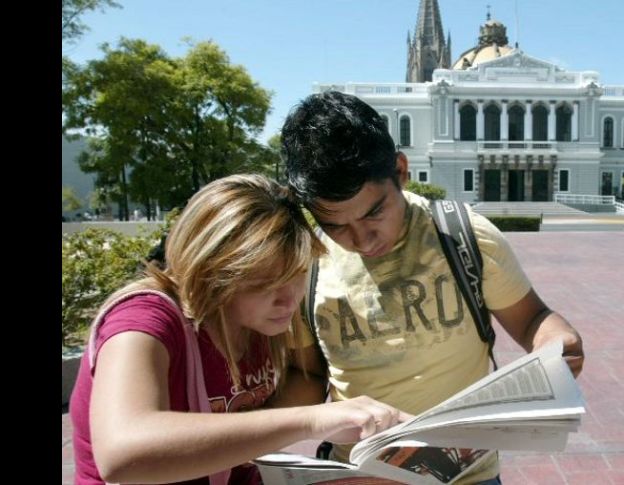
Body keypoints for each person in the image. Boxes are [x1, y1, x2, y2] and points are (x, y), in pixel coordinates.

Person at [281, 91, 585, 484]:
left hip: (467, 474)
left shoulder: (462, 236)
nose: (363, 239)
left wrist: (557, 342)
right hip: (361, 473)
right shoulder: (307, 264)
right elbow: (305, 376)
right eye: (336, 225)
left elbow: (531, 319)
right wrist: (247, 427)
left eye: (375, 212)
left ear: (401, 171)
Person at [69, 174, 409, 485]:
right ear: (212, 270)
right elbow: (122, 452)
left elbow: (295, 383)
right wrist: (312, 421)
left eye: (298, 274)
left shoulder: (256, 319)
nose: (289, 301)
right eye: (265, 283)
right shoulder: (144, 319)